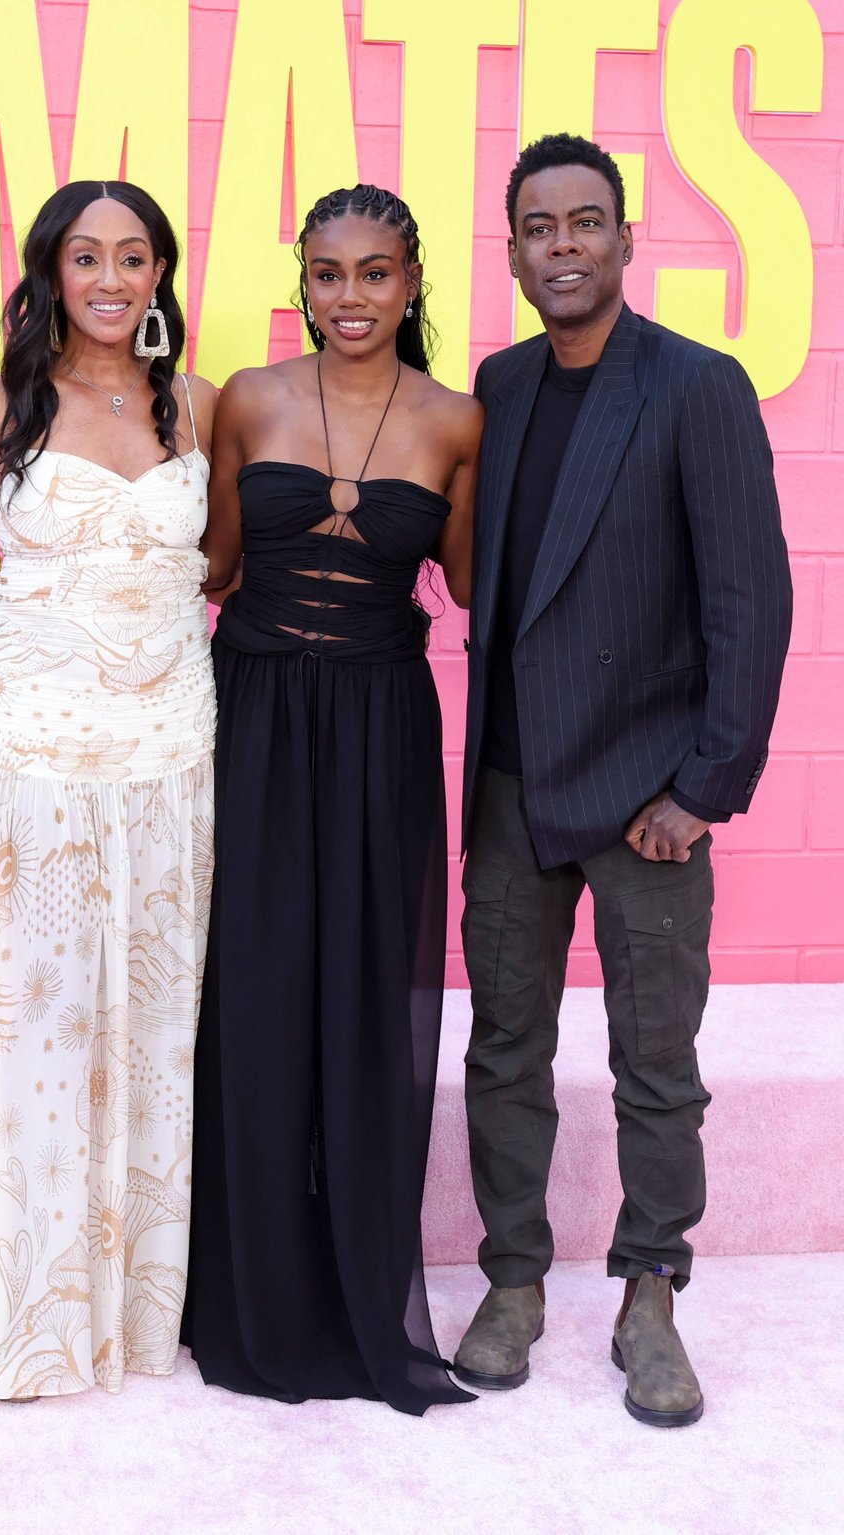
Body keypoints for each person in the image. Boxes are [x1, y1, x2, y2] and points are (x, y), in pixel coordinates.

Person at [454, 134, 791, 1426]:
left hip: (651, 794)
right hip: (513, 786)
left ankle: (651, 1291)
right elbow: (503, 579)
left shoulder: (698, 387)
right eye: (539, 228)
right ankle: (515, 1280)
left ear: (626, 235)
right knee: (504, 1049)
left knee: (657, 1064)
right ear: (515, 251)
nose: (564, 247)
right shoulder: (500, 384)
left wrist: (706, 785)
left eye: (585, 222)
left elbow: (750, 599)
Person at [0, 181, 218, 1415]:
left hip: (175, 763)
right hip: (37, 766)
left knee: (150, 1044)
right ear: (49, 272)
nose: (112, 278)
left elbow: (212, 563)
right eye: (88, 257)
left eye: (135, 257)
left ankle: (130, 1314)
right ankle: (17, 1318)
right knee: (33, 1043)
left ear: (159, 274)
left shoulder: (194, 403)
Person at [183, 185, 481, 1416]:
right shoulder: (246, 398)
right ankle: (251, 1294)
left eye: (373, 273)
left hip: (379, 726)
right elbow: (205, 567)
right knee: (252, 992)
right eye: (326, 273)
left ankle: (360, 1288)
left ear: (413, 281)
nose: (347, 296)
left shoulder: (460, 420)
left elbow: (472, 590)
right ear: (297, 280)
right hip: (249, 714)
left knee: (362, 995)